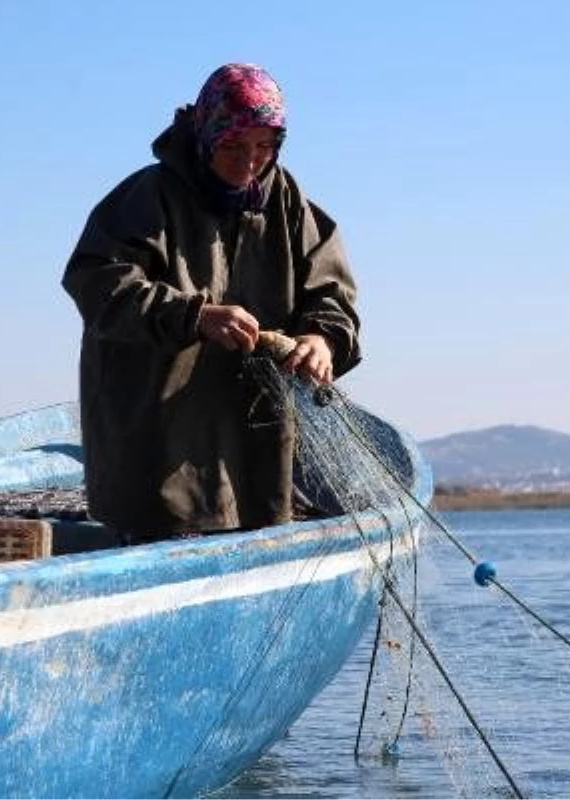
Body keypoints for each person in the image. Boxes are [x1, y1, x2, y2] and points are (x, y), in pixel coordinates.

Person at [61, 63, 362, 541]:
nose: (250, 161)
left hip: (258, 454)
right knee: (166, 526)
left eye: (264, 147)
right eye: (234, 146)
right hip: (157, 451)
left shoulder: (288, 202)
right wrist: (193, 316)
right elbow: (99, 285)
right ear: (206, 134)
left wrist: (321, 339)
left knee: (259, 514)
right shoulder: (147, 196)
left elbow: (332, 293)